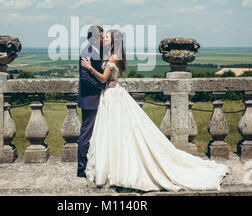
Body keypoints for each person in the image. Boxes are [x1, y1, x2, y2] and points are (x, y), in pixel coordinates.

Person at [80, 29, 230, 192]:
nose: (104, 39)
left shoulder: (113, 57)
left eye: (107, 37)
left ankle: (118, 168)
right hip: (109, 96)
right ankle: (113, 166)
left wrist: (89, 67)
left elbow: (103, 78)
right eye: (104, 36)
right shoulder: (109, 54)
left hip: (112, 96)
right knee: (114, 133)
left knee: (119, 133)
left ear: (114, 41)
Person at [77, 25, 115, 178]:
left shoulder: (100, 52)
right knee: (86, 135)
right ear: (93, 37)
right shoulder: (87, 52)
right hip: (90, 99)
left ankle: (94, 166)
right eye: (100, 36)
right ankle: (81, 169)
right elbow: (85, 79)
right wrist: (103, 85)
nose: (102, 38)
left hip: (99, 99)